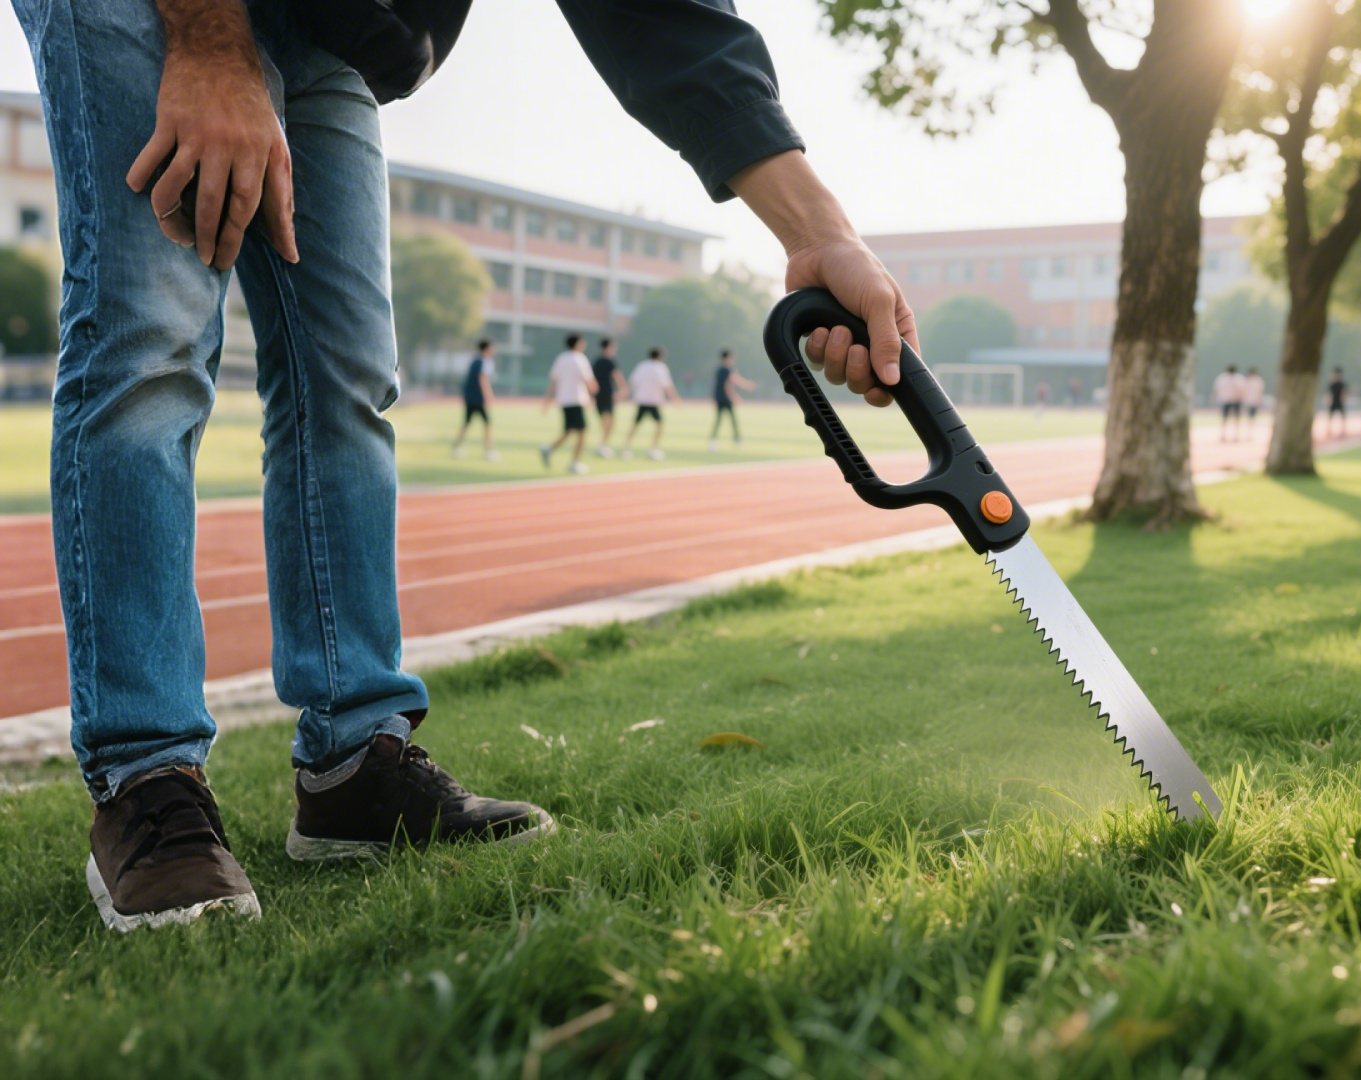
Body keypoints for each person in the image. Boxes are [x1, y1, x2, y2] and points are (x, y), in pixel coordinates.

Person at [20, 0, 917, 931]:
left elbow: (661, 14)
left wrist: (820, 234)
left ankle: (352, 765)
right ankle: (145, 776)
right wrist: (208, 40)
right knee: (151, 346)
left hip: (324, 22)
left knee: (347, 379)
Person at [540, 334, 599, 475]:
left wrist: (547, 400)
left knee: (569, 431)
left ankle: (549, 449)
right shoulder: (579, 359)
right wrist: (595, 391)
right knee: (582, 432)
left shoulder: (561, 359)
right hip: (576, 400)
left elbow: (553, 382)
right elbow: (589, 381)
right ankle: (574, 463)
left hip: (564, 401)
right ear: (577, 344)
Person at [622, 346, 680, 460]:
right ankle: (654, 449)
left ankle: (626, 448)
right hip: (653, 402)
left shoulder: (642, 366)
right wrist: (675, 398)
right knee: (659, 425)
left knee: (635, 425)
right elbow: (667, 385)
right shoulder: (661, 367)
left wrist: (625, 394)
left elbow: (632, 382)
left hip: (642, 400)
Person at [451, 338, 498, 461]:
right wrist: (489, 396)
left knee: (466, 423)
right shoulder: (486, 362)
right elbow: (483, 379)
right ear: (487, 348)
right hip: (478, 398)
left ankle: (456, 447)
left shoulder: (474, 361)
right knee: (487, 423)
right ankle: (488, 451)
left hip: (469, 397)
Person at [708, 348, 756, 450]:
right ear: (727, 358)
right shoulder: (728, 370)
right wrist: (735, 395)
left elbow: (714, 384)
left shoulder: (718, 370)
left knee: (719, 420)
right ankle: (737, 439)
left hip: (719, 398)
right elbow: (731, 384)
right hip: (725, 399)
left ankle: (713, 440)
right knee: (732, 419)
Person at [590, 337, 628, 458]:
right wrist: (623, 389)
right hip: (607, 394)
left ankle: (603, 444)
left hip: (598, 394)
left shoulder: (596, 361)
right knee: (609, 421)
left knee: (604, 420)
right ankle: (603, 445)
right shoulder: (610, 361)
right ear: (609, 347)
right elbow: (618, 376)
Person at [1213, 365, 1243, 442]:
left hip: (1227, 400)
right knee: (1235, 419)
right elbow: (1242, 390)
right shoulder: (1238, 378)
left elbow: (1216, 389)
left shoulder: (1222, 378)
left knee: (1226, 418)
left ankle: (1225, 435)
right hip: (1234, 400)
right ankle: (1234, 435)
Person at [1326, 367, 1347, 435]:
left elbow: (1344, 392)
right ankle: (1329, 430)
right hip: (1333, 402)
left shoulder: (1342, 384)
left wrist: (1343, 399)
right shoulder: (1332, 385)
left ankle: (1343, 431)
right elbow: (1329, 394)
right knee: (1330, 417)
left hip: (1340, 402)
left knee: (1342, 416)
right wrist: (1328, 400)